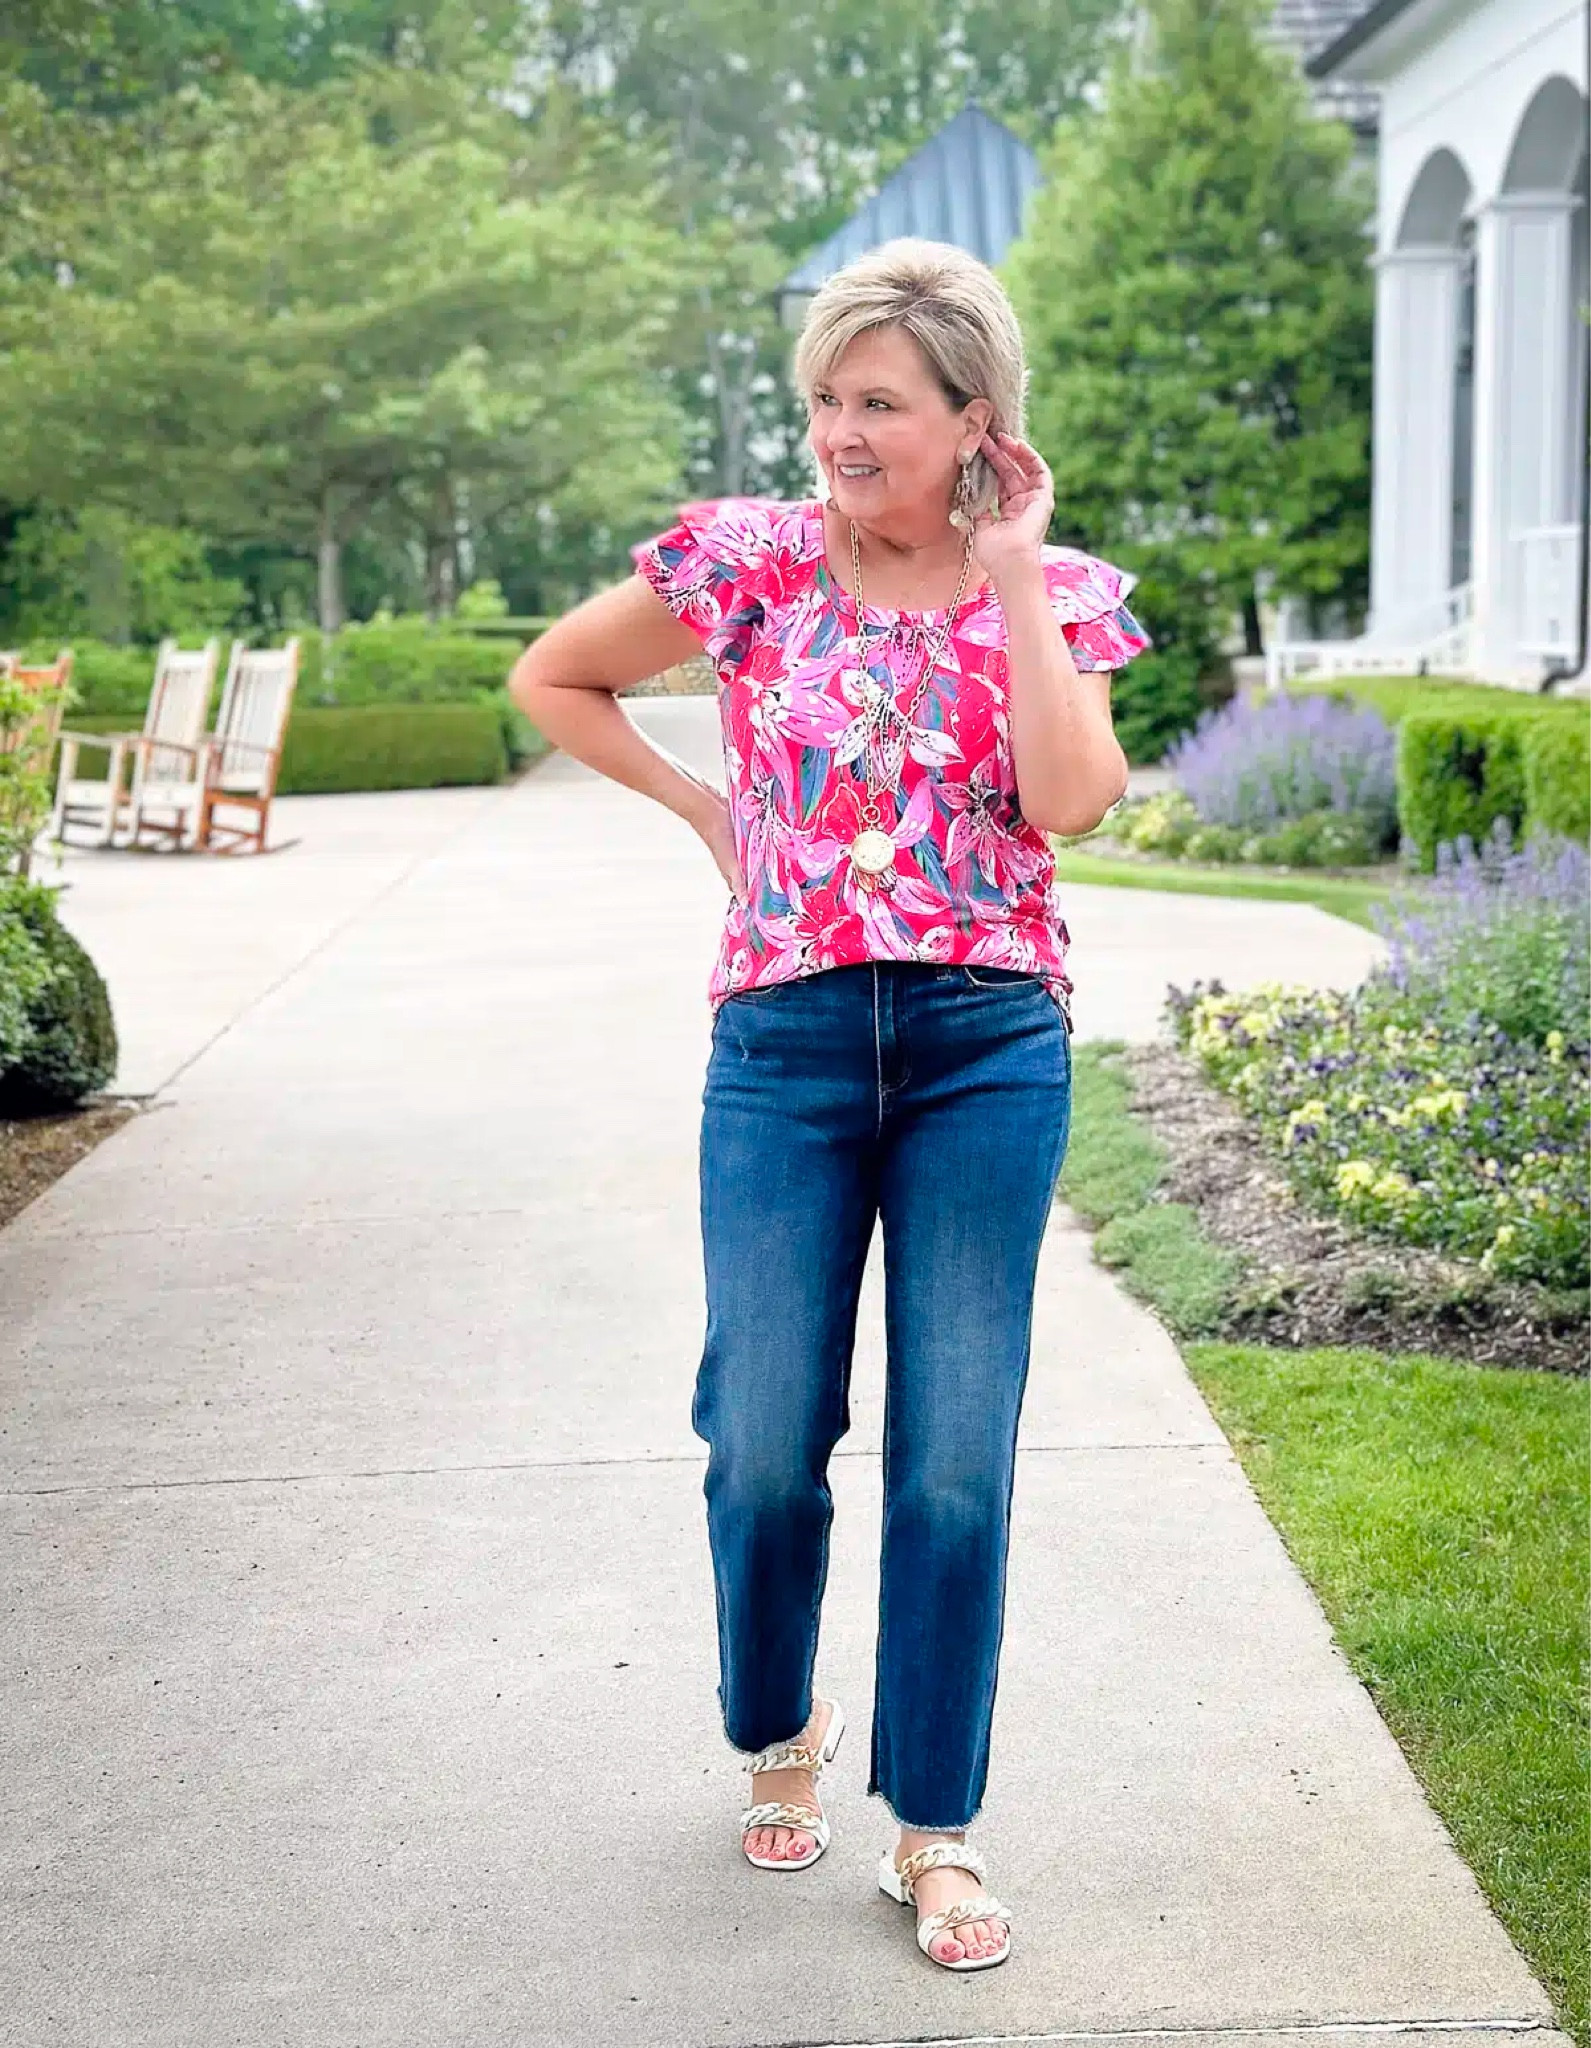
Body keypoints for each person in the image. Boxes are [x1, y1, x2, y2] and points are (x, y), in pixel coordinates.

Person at [509, 236, 1149, 1974]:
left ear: (974, 424)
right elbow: (556, 677)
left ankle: (934, 1829)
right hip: (782, 1050)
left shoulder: (1060, 589)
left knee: (955, 1458)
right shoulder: (748, 564)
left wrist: (1010, 577)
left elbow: (1074, 799)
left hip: (983, 1047)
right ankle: (775, 1724)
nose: (839, 435)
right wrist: (705, 807)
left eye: (878, 404)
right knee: (767, 1441)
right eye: (823, 401)